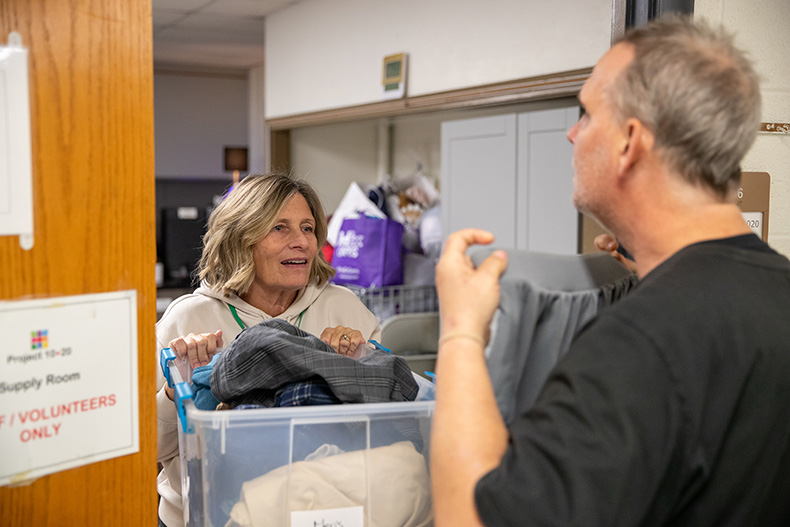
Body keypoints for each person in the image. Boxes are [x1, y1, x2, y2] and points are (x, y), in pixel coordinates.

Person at [431, 15, 790, 526]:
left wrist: (462, 334)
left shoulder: (638, 345)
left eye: (587, 114)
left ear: (630, 142)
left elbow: (472, 518)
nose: (572, 134)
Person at [155, 173, 382, 527]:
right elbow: (150, 449)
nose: (302, 242)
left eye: (308, 228)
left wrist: (361, 364)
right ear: (241, 239)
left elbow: (388, 430)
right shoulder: (188, 319)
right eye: (280, 228)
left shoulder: (347, 310)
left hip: (325, 515)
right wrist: (176, 389)